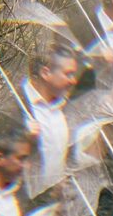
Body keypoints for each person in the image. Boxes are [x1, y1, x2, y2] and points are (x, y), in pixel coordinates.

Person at [22, 44, 78, 196]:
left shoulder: (64, 106)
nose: (74, 81)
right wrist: (23, 138)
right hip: (28, 201)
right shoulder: (17, 106)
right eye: (68, 74)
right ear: (45, 73)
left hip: (55, 199)